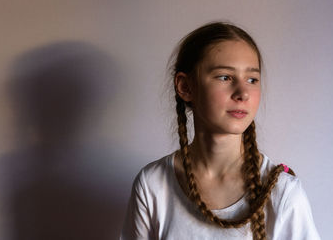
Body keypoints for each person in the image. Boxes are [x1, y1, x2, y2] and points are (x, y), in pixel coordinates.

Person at [120, 22, 320, 239]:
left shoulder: (283, 192)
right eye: (225, 77)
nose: (243, 93)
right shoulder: (153, 184)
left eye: (252, 79)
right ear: (186, 87)